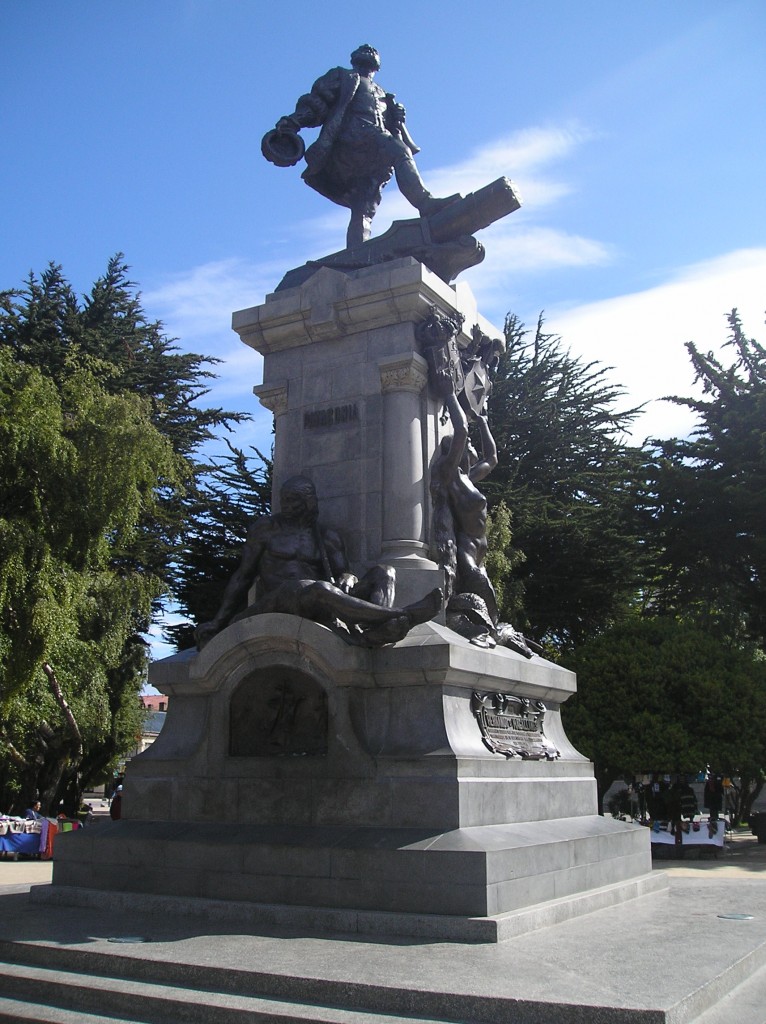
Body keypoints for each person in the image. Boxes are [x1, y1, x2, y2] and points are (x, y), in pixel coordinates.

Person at [195, 475, 442, 650]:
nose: (286, 505)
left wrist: (349, 577)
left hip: (316, 600)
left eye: (293, 500)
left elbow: (343, 573)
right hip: (277, 601)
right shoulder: (267, 528)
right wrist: (219, 621)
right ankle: (398, 615)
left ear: (309, 502)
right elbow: (242, 576)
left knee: (384, 572)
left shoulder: (326, 537)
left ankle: (374, 633)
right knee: (317, 588)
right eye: (284, 499)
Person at [264, 45, 458, 248]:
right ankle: (425, 203)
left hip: (374, 152)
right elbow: (316, 104)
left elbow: (391, 128)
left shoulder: (384, 95)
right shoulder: (342, 76)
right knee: (400, 151)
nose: (369, 49)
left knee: (363, 206)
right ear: (354, 59)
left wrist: (396, 119)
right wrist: (293, 123)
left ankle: (357, 251)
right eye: (364, 49)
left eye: (373, 51)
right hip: (353, 137)